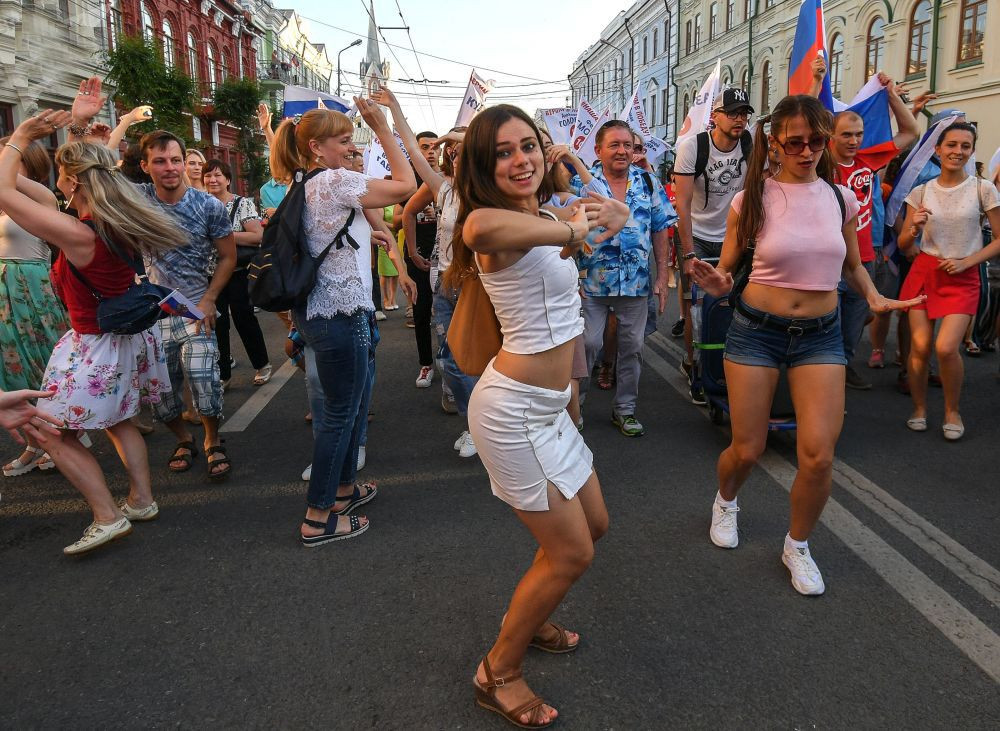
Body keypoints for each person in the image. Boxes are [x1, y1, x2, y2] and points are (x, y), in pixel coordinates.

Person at [690, 95, 922, 595]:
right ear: (774, 143)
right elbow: (728, 268)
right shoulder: (751, 199)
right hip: (756, 333)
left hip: (821, 337)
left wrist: (875, 295)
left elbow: (853, 264)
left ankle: (797, 544)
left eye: (816, 140)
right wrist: (718, 280)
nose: (807, 150)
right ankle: (726, 500)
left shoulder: (842, 199)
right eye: (795, 141)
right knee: (747, 449)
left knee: (818, 455)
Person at [450, 104, 613, 729]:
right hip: (510, 412)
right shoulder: (493, 224)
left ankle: (534, 612)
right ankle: (498, 671)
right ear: (484, 167)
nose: (522, 160)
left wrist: (595, 213)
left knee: (591, 526)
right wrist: (572, 231)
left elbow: (610, 216)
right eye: (504, 152)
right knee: (571, 553)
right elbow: (479, 235)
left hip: (549, 408)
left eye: (529, 147)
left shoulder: (544, 213)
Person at [0, 108, 186, 554]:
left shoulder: (78, 233)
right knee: (119, 421)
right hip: (120, 341)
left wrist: (22, 134)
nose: (58, 183)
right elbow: (94, 166)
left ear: (73, 183)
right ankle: (141, 500)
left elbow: (4, 191)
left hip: (94, 347)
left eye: (63, 176)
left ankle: (107, 515)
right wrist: (86, 133)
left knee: (48, 431)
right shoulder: (114, 220)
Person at [270, 98, 418, 545]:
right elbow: (406, 184)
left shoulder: (308, 182)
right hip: (339, 317)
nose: (351, 148)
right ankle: (319, 517)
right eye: (344, 141)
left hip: (326, 313)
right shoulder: (333, 181)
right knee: (338, 415)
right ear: (316, 147)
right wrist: (385, 129)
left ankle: (343, 491)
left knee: (349, 409)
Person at [130, 128, 237, 480]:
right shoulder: (138, 200)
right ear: (146, 166)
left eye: (175, 159)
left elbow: (227, 258)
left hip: (194, 308)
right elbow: (94, 180)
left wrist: (209, 299)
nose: (170, 167)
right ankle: (182, 437)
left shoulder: (209, 206)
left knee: (204, 379)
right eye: (160, 161)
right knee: (161, 395)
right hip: (152, 313)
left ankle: (211, 439)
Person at [815, 67, 919, 389]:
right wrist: (816, 82)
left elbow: (911, 131)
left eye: (859, 134)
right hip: (829, 257)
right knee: (823, 322)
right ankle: (822, 377)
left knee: (854, 322)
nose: (854, 140)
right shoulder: (818, 163)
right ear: (829, 136)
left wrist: (890, 95)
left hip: (864, 256)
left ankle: (844, 367)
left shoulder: (868, 160)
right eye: (846, 135)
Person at [897, 122, 1000, 440]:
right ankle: (919, 408)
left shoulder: (984, 189)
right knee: (920, 346)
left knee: (945, 347)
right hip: (925, 273)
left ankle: (952, 411)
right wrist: (913, 228)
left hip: (963, 275)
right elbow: (903, 245)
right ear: (938, 150)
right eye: (951, 145)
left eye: (965, 146)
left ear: (971, 151)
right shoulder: (921, 191)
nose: (957, 151)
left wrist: (968, 261)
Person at [573, 119, 676, 437]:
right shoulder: (582, 184)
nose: (622, 151)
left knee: (632, 348)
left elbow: (661, 228)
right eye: (614, 145)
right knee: (588, 344)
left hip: (635, 284)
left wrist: (663, 276)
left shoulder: (648, 182)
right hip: (591, 283)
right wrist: (570, 279)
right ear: (598, 150)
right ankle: (576, 409)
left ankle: (625, 410)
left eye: (627, 145)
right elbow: (566, 233)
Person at [674, 88, 754, 404]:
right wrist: (690, 252)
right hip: (696, 233)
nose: (740, 119)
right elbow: (682, 205)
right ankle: (694, 366)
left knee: (734, 302)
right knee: (696, 305)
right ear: (715, 116)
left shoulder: (749, 144)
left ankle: (729, 365)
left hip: (732, 236)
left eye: (744, 113)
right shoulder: (693, 147)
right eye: (733, 112)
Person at [0, 136, 70, 478]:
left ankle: (62, 436)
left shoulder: (42, 198)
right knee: (10, 371)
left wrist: (8, 157)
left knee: (43, 366)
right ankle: (33, 442)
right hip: (2, 294)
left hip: (33, 292)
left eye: (10, 157)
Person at [202, 158, 271, 388]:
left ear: (228, 180)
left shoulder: (242, 204)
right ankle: (223, 375)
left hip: (237, 272)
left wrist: (224, 237)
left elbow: (257, 236)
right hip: (209, 274)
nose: (212, 180)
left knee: (244, 319)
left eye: (217, 175)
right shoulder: (199, 204)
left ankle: (262, 365)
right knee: (217, 324)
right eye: (208, 176)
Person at [401, 131, 440, 388]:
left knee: (455, 315)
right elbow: (396, 218)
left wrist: (440, 214)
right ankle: (426, 364)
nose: (430, 152)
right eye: (424, 147)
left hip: (448, 258)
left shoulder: (451, 178)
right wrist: (417, 210)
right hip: (418, 257)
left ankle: (456, 363)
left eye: (435, 147)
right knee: (421, 311)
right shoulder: (409, 182)